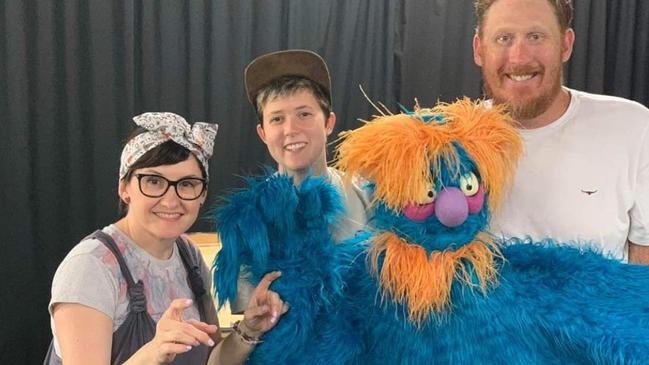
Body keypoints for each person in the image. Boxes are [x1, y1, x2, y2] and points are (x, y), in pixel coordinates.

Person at [46, 112, 288, 365]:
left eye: (186, 184)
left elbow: (212, 361)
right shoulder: (91, 267)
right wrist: (153, 353)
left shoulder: (187, 254)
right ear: (124, 188)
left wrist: (249, 329)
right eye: (153, 181)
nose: (171, 200)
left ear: (202, 193)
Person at [472, 0, 649, 263]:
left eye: (535, 36)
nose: (519, 57)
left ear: (565, 44)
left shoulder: (633, 127)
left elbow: (643, 258)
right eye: (503, 38)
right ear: (479, 49)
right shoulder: (445, 141)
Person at [226, 49, 370, 311]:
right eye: (277, 119)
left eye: (304, 114)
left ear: (328, 122)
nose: (291, 130)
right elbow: (249, 324)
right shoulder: (247, 219)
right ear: (263, 133)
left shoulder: (368, 196)